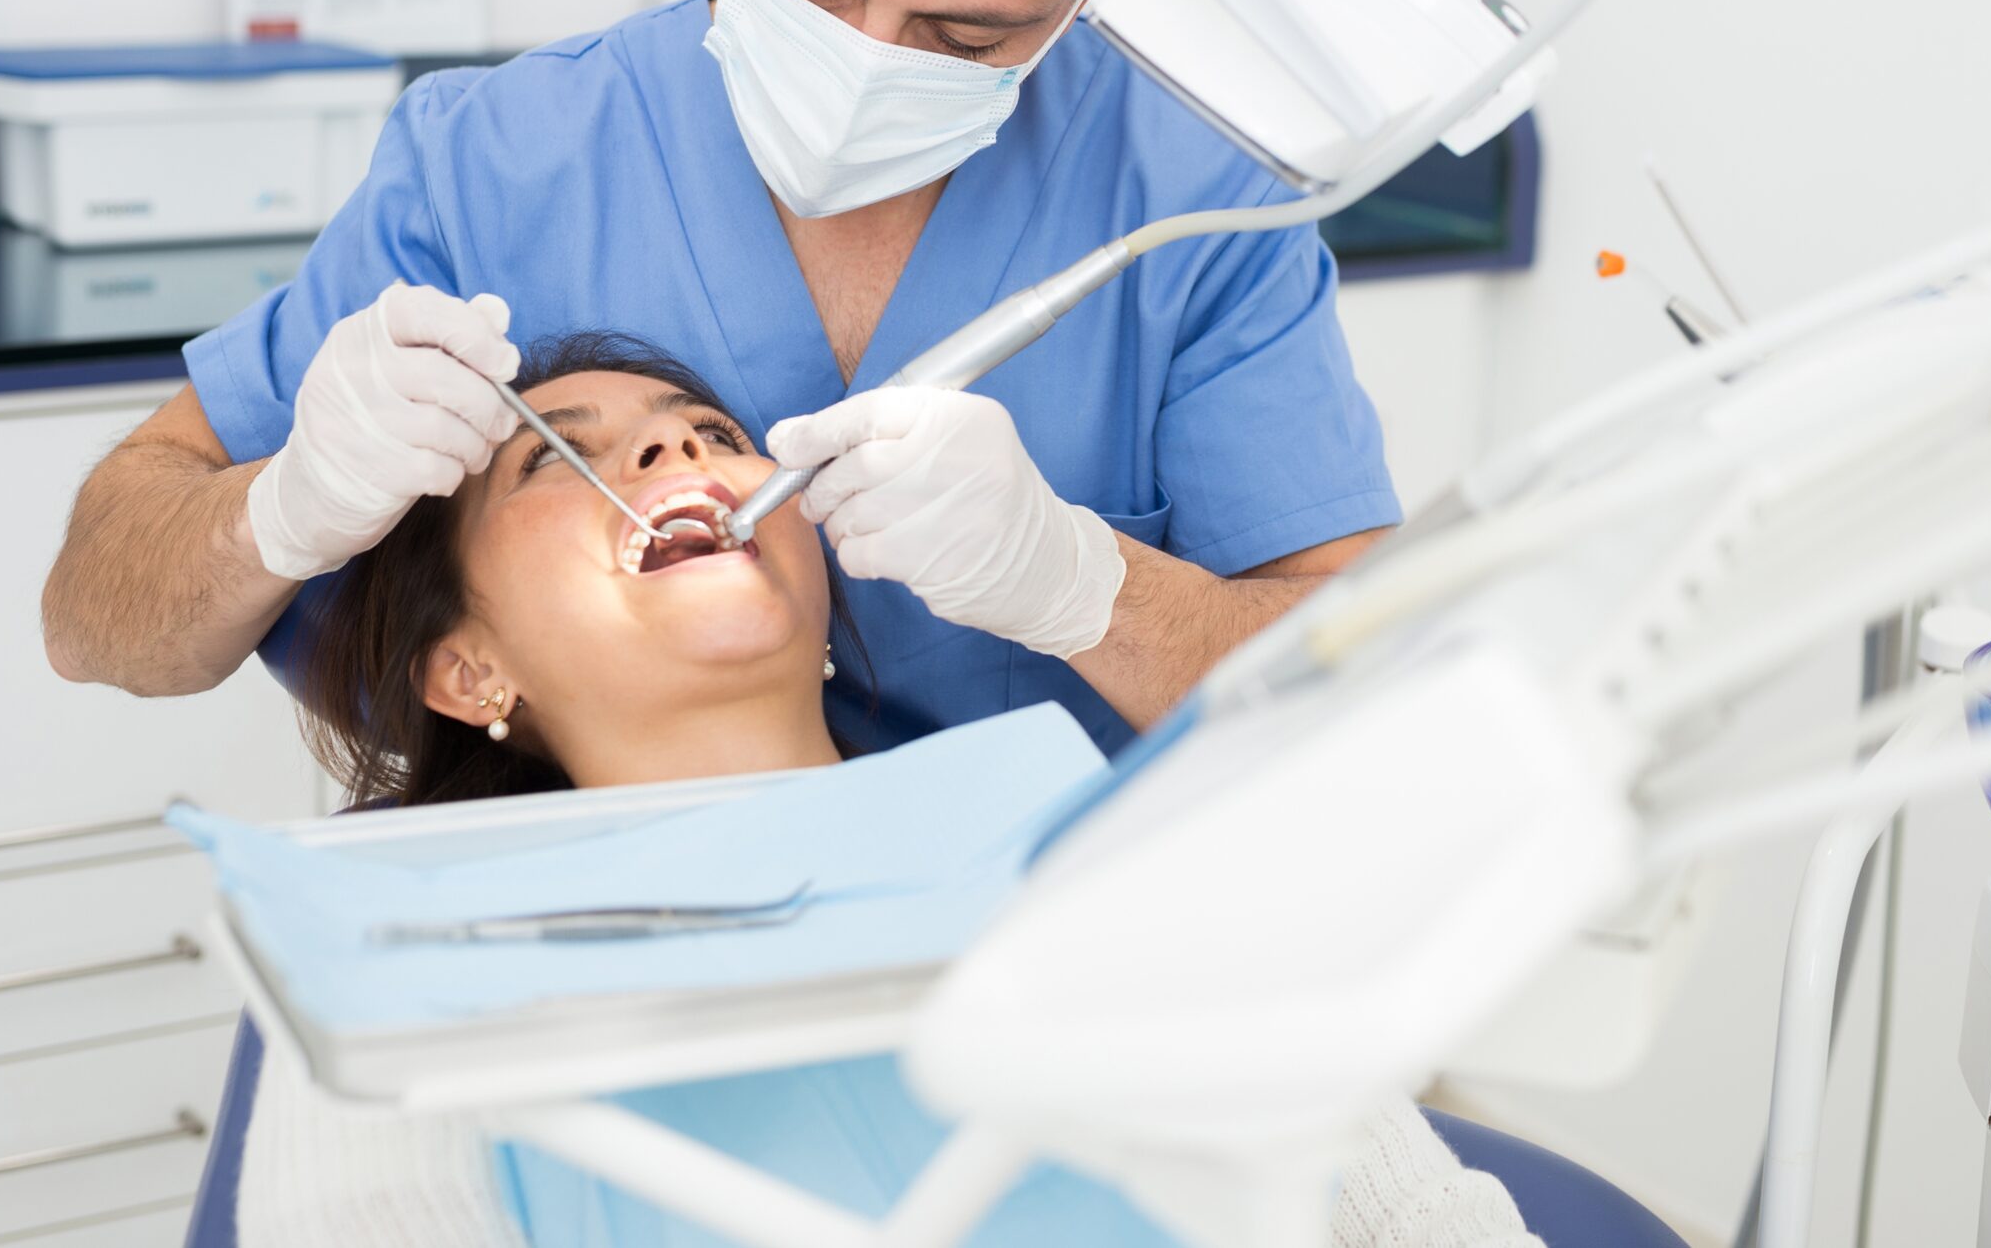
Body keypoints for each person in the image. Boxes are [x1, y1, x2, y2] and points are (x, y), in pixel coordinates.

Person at [43, 0, 1399, 755]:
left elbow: (1365, 702)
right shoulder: (501, 166)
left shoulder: (1192, 207)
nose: (869, 56)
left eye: (966, 32)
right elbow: (98, 622)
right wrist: (279, 512)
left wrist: (1089, 586)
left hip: (1048, 947)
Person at [229, 332, 1536, 1248]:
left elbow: (1401, 1208)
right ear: (469, 668)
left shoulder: (1071, 835)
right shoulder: (391, 936)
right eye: (558, 460)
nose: (675, 449)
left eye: (713, 436)